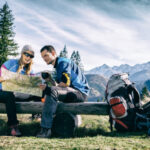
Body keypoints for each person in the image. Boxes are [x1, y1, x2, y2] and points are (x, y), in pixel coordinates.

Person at [37, 45, 90, 138]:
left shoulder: (62, 63)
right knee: (49, 90)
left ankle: (45, 129)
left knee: (50, 90)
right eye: (42, 57)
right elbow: (59, 88)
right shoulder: (59, 65)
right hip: (71, 92)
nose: (44, 59)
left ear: (53, 53)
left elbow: (65, 83)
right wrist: (50, 80)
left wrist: (48, 88)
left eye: (46, 55)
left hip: (80, 93)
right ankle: (44, 122)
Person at [0, 45, 37, 136]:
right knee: (9, 94)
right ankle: (13, 126)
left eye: (31, 56)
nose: (28, 57)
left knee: (39, 92)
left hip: (18, 93)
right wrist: (12, 78)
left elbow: (33, 85)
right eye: (26, 54)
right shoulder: (10, 63)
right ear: (22, 53)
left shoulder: (30, 70)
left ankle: (38, 118)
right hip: (3, 91)